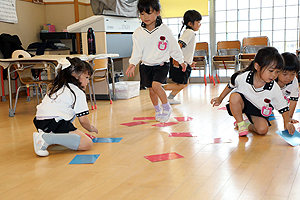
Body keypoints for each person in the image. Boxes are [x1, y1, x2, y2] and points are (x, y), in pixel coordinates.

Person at [211, 47, 295, 136]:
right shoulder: (242, 77)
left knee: (262, 130)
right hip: (243, 103)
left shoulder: (273, 87)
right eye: (271, 70)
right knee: (234, 96)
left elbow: (283, 107)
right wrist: (220, 98)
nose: (274, 75)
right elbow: (230, 85)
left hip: (257, 109)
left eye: (277, 72)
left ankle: (247, 124)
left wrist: (287, 122)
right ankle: (241, 124)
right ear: (257, 66)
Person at [126, 0, 187, 123]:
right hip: (146, 65)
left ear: (157, 12)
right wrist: (132, 64)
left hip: (161, 64)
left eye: (149, 13)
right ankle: (157, 109)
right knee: (151, 90)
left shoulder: (164, 30)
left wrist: (181, 61)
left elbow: (174, 47)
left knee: (156, 85)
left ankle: (166, 107)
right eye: (142, 14)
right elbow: (137, 50)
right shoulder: (138, 32)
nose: (145, 17)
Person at [33, 57, 98, 157]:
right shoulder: (78, 92)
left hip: (40, 122)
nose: (88, 81)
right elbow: (83, 120)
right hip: (54, 122)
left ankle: (48, 135)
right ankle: (46, 138)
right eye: (86, 78)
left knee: (71, 128)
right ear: (75, 76)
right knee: (87, 143)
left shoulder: (57, 86)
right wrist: (90, 128)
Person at [163, 10, 202, 105]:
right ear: (190, 23)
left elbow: (185, 49)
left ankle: (170, 98)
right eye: (198, 22)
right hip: (180, 63)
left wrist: (189, 61)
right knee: (183, 84)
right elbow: (179, 45)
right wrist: (177, 59)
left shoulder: (189, 32)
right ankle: (159, 89)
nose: (200, 25)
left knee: (184, 83)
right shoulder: (190, 32)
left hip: (184, 62)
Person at [276, 52, 300, 123]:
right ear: (278, 71)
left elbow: (293, 100)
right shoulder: (271, 79)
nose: (289, 78)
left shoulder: (294, 81)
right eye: (285, 74)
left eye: (293, 74)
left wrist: (289, 118)